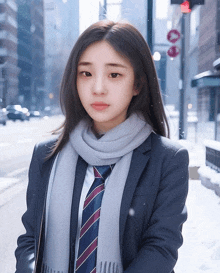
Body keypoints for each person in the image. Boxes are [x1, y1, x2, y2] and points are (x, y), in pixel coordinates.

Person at [15, 20, 189, 273]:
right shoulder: (47, 155)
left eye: (114, 75)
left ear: (138, 84)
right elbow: (30, 240)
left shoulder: (167, 159)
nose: (97, 88)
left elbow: (161, 248)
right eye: (86, 73)